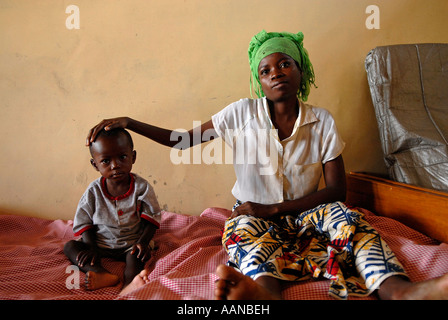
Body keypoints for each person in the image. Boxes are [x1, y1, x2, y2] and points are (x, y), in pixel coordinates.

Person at [86, 30, 448, 299]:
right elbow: (182, 140)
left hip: (310, 214)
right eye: (266, 70)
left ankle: (398, 290)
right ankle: (263, 294)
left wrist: (276, 207)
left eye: (285, 64)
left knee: (348, 219)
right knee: (245, 235)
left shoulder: (321, 121)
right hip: (252, 216)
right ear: (259, 82)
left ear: (301, 71)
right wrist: (131, 123)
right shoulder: (241, 113)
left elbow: (337, 190)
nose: (276, 72)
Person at [64, 128, 161, 291]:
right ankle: (100, 273)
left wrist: (143, 242)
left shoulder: (141, 187)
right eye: (106, 161)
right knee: (70, 247)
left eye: (122, 157)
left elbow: (152, 218)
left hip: (131, 243)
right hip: (99, 244)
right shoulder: (93, 191)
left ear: (133, 157)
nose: (115, 165)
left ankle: (129, 287)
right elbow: (84, 220)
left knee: (136, 259)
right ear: (95, 164)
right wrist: (91, 248)